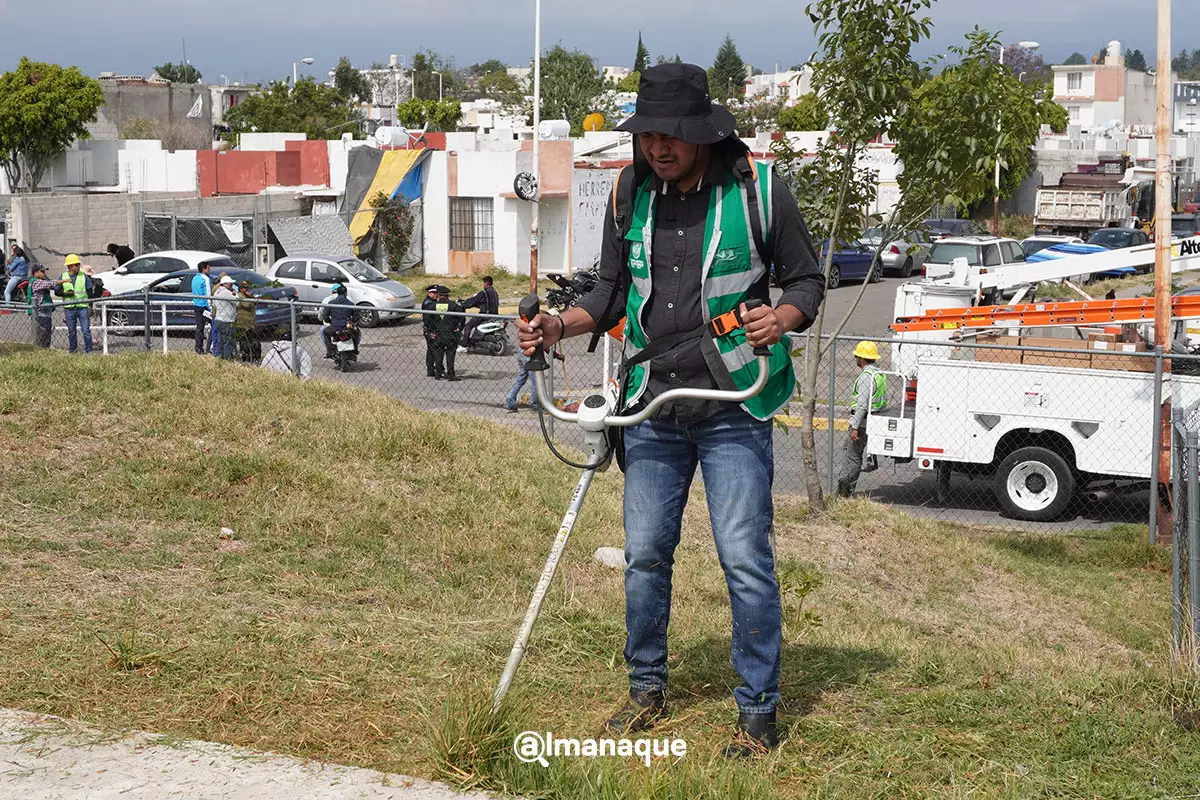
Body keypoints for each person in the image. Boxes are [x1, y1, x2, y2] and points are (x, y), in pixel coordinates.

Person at [515, 63, 825, 756]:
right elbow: (609, 293)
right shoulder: (629, 193)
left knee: (743, 558)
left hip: (732, 402)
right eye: (648, 134)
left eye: (671, 135)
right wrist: (557, 326)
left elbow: (807, 280)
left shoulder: (758, 190)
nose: (657, 146)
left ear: (703, 133)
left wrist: (781, 317)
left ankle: (758, 713)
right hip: (651, 402)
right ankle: (645, 690)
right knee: (646, 555)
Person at [836, 341, 888, 497]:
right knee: (850, 452)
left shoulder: (866, 377)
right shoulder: (879, 374)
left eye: (857, 356)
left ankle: (845, 491)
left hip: (862, 421)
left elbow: (862, 404)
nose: (855, 359)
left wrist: (855, 426)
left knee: (853, 457)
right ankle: (845, 488)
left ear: (862, 358)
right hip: (871, 418)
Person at [60, 254, 94, 354]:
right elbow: (57, 291)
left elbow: (90, 292)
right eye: (76, 265)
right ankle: (73, 350)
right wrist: (66, 294)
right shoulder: (63, 276)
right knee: (71, 331)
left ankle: (89, 351)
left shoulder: (83, 276)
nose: (78, 266)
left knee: (86, 331)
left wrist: (90, 306)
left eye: (78, 264)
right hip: (69, 308)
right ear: (70, 266)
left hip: (82, 307)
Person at [28, 264, 66, 348]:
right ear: (36, 273)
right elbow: (49, 284)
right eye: (42, 271)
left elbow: (51, 285)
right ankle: (42, 348)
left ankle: (45, 347)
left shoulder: (41, 281)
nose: (44, 273)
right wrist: (64, 281)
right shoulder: (36, 282)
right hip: (41, 312)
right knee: (43, 331)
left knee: (47, 331)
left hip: (45, 310)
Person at [460, 275, 500, 351]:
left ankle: (464, 345)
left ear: (486, 283)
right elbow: (485, 303)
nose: (483, 285)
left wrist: (465, 304)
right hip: (494, 315)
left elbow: (474, 300)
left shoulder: (484, 292)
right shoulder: (495, 292)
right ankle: (474, 342)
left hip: (485, 315)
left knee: (468, 326)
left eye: (483, 283)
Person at [319, 282, 360, 358]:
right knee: (357, 332)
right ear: (345, 293)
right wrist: (352, 321)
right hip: (347, 327)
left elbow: (325, 316)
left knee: (325, 332)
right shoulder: (350, 304)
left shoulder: (331, 303)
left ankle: (330, 350)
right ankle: (355, 349)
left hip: (334, 326)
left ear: (337, 293)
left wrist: (330, 322)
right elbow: (356, 316)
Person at [433, 285, 464, 381]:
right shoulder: (453, 306)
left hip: (437, 333)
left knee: (438, 353)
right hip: (450, 333)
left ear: (439, 295)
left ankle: (438, 373)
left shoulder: (433, 306)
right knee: (450, 353)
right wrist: (460, 328)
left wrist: (431, 330)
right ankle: (451, 374)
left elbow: (427, 319)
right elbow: (462, 316)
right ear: (447, 296)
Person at [212, 275, 239, 360]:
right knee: (228, 341)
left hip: (219, 318)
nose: (232, 285)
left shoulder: (217, 292)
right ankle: (227, 359)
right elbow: (237, 302)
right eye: (230, 284)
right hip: (227, 320)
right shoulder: (226, 293)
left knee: (220, 341)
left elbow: (214, 304)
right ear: (225, 284)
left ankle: (220, 358)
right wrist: (235, 294)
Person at [233, 281, 260, 363]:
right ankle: (245, 357)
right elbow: (246, 305)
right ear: (240, 289)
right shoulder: (240, 295)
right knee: (243, 342)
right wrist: (251, 300)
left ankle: (252, 357)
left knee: (251, 341)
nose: (246, 289)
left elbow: (256, 302)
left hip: (249, 323)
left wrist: (251, 296)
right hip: (242, 323)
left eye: (247, 288)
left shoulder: (247, 295)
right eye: (244, 288)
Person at [191, 263, 213, 355]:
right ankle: (210, 347)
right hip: (204, 307)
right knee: (215, 324)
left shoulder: (194, 278)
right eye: (208, 268)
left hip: (196, 305)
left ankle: (198, 348)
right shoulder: (206, 279)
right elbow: (208, 294)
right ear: (204, 269)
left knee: (199, 327)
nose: (209, 270)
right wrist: (210, 308)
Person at [422, 284, 441, 377]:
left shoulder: (433, 302)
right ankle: (432, 369)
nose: (436, 295)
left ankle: (432, 369)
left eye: (436, 293)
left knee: (432, 349)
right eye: (433, 293)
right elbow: (427, 319)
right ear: (429, 293)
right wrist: (431, 330)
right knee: (433, 350)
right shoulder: (428, 303)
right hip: (430, 329)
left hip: (433, 329)